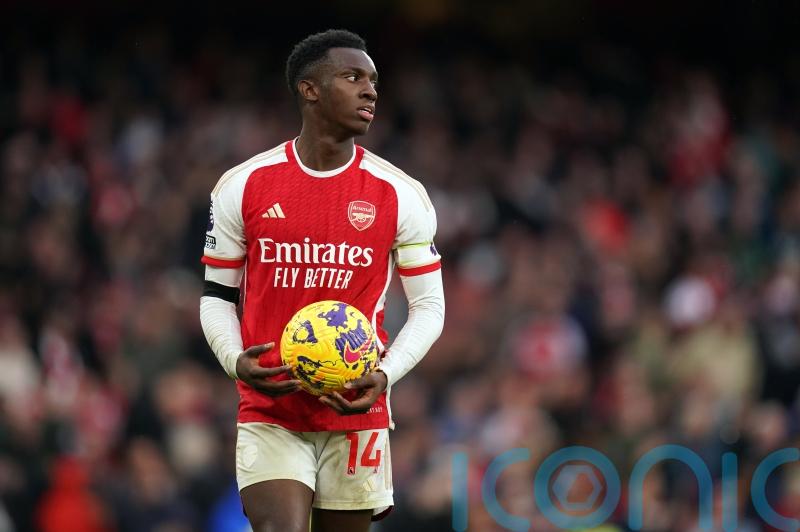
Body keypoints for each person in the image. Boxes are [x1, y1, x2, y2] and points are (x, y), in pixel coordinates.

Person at [199, 29, 445, 532]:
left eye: (373, 81)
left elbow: (430, 307)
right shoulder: (244, 184)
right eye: (353, 77)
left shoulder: (400, 194)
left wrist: (387, 374)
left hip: (355, 406)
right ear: (309, 90)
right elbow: (217, 296)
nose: (370, 90)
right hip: (272, 405)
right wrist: (234, 362)